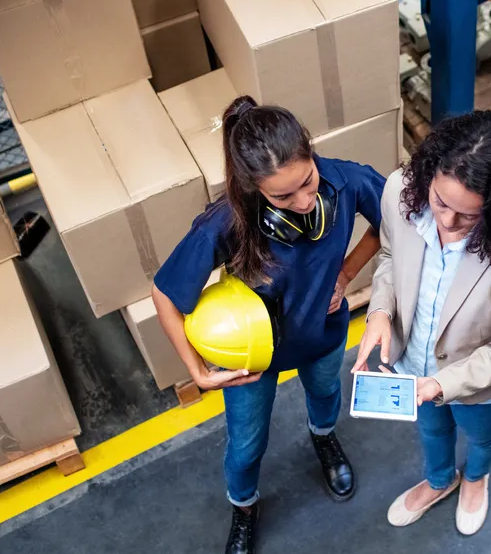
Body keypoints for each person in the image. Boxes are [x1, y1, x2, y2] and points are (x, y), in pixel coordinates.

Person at [152, 96, 384, 554]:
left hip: (322, 336)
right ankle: (243, 507)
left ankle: (324, 439)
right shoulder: (225, 223)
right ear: (253, 188)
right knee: (245, 447)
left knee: (325, 396)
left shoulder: (347, 180)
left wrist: (347, 271)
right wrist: (197, 370)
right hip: (251, 359)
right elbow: (164, 292)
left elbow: (390, 221)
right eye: (282, 196)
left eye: (307, 182)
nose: (303, 202)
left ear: (312, 155)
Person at [353, 110, 491, 536]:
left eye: (468, 216)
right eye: (440, 202)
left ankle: (475, 477)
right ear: (428, 176)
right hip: (413, 365)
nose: (447, 223)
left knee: (483, 439)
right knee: (432, 432)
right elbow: (391, 259)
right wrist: (379, 312)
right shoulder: (399, 192)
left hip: (482, 387)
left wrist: (442, 386)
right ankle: (440, 480)